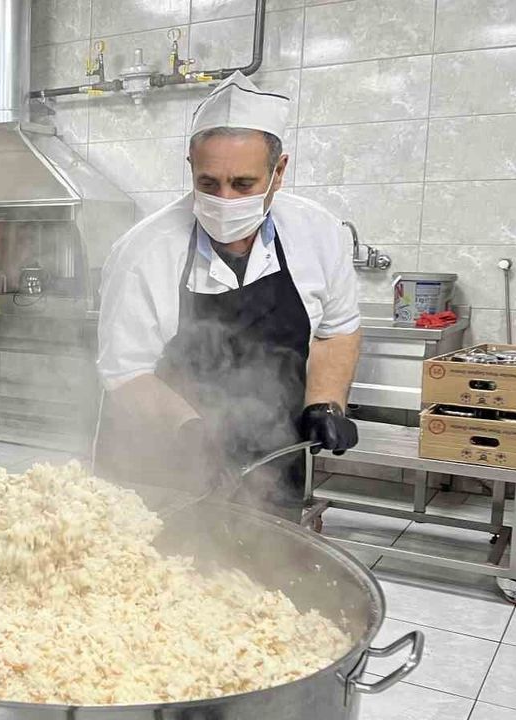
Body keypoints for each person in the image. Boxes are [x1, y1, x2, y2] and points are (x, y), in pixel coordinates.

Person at [94, 72, 361, 520]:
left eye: (242, 184)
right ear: (190, 166)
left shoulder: (318, 233)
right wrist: (192, 433)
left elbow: (337, 330)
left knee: (268, 557)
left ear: (279, 172)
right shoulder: (143, 252)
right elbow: (125, 372)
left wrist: (325, 402)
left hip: (274, 461)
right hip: (164, 462)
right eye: (208, 183)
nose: (224, 199)